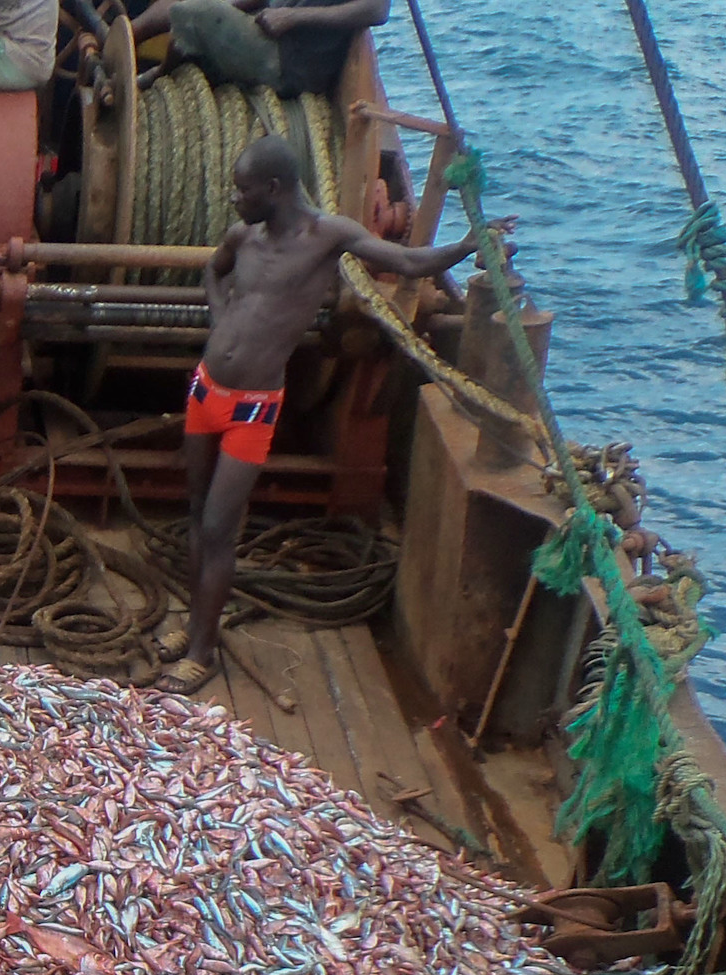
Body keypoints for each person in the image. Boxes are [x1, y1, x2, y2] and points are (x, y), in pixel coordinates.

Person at [160, 134, 501, 695]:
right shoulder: (241, 236)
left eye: (242, 190)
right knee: (198, 514)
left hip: (252, 408)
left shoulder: (328, 237)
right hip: (205, 391)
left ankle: (202, 651)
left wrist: (470, 244)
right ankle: (192, 623)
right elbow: (212, 273)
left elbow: (410, 260)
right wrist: (220, 319)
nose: (233, 199)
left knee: (221, 525)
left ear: (274, 189)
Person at [135, 0, 386, 96]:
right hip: (272, 32)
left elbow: (378, 9)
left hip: (292, 61)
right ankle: (127, 35)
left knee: (191, 14)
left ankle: (159, 75)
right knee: (187, 4)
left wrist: (292, 17)